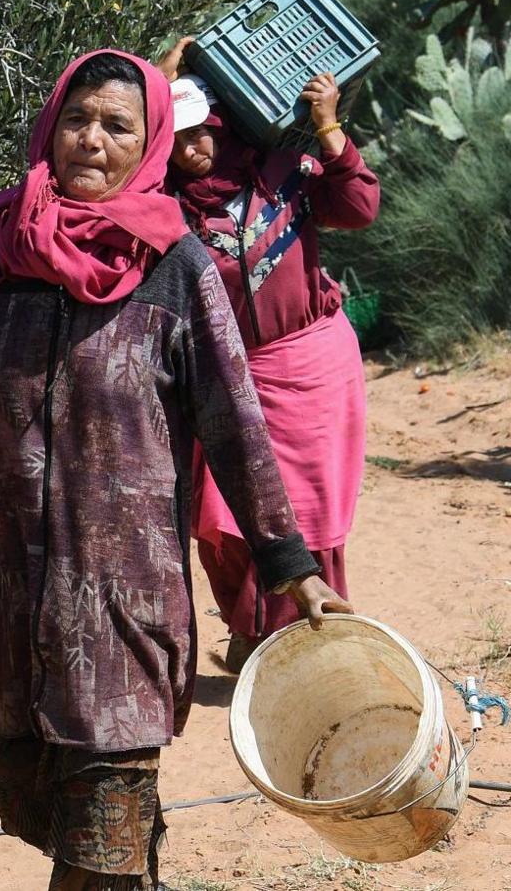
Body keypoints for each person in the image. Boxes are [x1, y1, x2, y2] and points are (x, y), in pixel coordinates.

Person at [0, 50, 353, 890]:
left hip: (122, 609)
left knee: (95, 853)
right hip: (4, 608)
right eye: (77, 121)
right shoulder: (2, 255)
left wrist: (288, 562)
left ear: (150, 143)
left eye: (118, 126)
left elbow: (234, 424)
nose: (91, 142)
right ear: (49, 129)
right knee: (34, 797)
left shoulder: (178, 267)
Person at [160, 38, 380, 672]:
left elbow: (360, 207)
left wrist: (329, 127)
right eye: (175, 139)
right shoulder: (166, 210)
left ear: (224, 121)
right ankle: (253, 626)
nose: (192, 149)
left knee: (305, 511)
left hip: (312, 364)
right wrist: (164, 77)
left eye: (201, 131)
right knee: (221, 515)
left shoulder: (285, 174)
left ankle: (293, 648)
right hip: (226, 375)